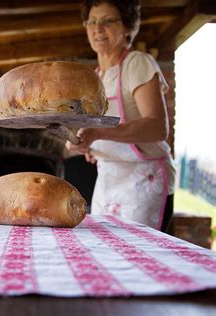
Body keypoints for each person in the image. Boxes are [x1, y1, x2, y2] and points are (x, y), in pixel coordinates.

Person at [66, 0, 176, 232]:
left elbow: (157, 127)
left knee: (140, 257)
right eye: (92, 22)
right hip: (107, 178)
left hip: (143, 179)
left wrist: (98, 133)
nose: (98, 28)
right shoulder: (96, 78)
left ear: (127, 27)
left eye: (107, 21)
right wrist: (89, 146)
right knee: (106, 252)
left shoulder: (137, 63)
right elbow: (103, 134)